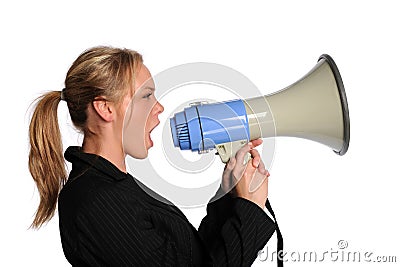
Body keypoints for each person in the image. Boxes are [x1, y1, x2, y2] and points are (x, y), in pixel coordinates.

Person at [28, 46, 277, 266]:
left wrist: (231, 196)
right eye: (146, 95)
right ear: (105, 108)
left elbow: (194, 259)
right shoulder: (96, 202)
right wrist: (249, 208)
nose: (159, 107)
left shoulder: (114, 187)